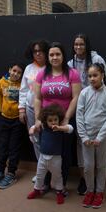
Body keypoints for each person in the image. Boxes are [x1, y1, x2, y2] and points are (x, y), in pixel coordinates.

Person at [33, 42, 81, 193]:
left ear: (63, 56)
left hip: (66, 120)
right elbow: (37, 99)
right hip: (46, 123)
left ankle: (62, 184)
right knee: (46, 153)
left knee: (65, 153)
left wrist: (66, 118)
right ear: (48, 57)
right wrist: (38, 119)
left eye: (58, 54)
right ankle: (46, 184)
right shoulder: (42, 74)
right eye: (52, 54)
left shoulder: (72, 73)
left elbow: (76, 97)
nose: (54, 57)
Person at [67, 33, 106, 195]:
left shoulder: (96, 59)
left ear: (87, 45)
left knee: (99, 156)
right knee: (81, 145)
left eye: (82, 44)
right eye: (76, 44)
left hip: (97, 109)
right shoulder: (70, 63)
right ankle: (85, 180)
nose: (78, 47)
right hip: (79, 108)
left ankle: (97, 188)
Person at [76, 63, 106, 208]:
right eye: (90, 76)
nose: (92, 78)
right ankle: (90, 191)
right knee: (88, 166)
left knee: (100, 165)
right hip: (86, 137)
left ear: (102, 75)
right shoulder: (84, 93)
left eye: (95, 75)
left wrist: (100, 137)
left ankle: (99, 192)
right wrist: (84, 137)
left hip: (102, 137)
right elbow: (79, 115)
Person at [27, 104, 74, 204]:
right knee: (39, 176)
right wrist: (32, 129)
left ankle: (59, 193)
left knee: (58, 176)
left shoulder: (60, 129)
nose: (53, 122)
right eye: (50, 120)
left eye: (55, 119)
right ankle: (36, 191)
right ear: (46, 121)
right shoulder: (43, 128)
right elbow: (33, 127)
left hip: (56, 158)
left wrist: (60, 128)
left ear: (59, 119)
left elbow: (70, 129)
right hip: (42, 158)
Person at [0, 62, 25, 189]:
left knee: (14, 147)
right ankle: (0, 171)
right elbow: (0, 97)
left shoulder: (22, 85)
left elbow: (24, 100)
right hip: (4, 119)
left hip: (17, 121)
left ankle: (11, 173)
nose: (16, 74)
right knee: (3, 146)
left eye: (19, 72)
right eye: (14, 70)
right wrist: (3, 111)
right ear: (10, 70)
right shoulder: (1, 82)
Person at [18, 40, 49, 183]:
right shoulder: (29, 68)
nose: (38, 54)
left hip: (49, 111)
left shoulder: (52, 67)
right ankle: (41, 172)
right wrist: (21, 109)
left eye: (40, 51)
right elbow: (23, 90)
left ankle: (51, 173)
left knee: (49, 140)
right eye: (35, 51)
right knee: (36, 139)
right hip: (30, 109)